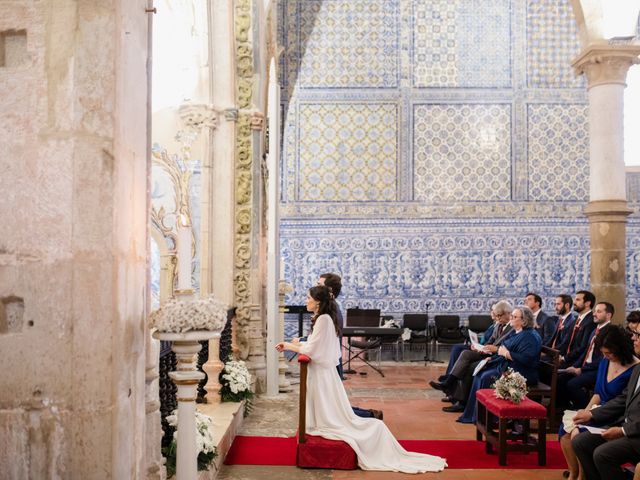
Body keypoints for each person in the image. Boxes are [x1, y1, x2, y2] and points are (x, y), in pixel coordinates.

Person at [276, 285, 447, 473]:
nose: (306, 300)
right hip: (321, 372)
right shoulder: (323, 318)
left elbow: (315, 350)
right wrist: (301, 343)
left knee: (332, 415)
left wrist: (289, 346)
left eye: (308, 297)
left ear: (317, 301)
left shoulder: (324, 319)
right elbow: (319, 343)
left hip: (322, 373)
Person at [559, 325, 638, 480]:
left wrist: (592, 415)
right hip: (601, 411)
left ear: (620, 349)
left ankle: (583, 476)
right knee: (569, 429)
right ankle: (574, 474)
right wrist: (585, 414)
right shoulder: (605, 362)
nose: (606, 356)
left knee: (581, 438)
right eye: (603, 353)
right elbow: (599, 394)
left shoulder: (635, 367)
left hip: (617, 417)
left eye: (609, 353)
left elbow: (622, 403)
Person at [456, 305, 542, 424]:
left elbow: (527, 359)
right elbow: (502, 351)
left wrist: (506, 354)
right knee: (480, 373)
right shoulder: (517, 332)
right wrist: (491, 359)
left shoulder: (530, 336)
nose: (511, 318)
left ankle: (491, 419)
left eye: (514, 316)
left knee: (486, 377)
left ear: (524, 320)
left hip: (521, 372)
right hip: (508, 367)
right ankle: (476, 415)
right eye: (511, 315)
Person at [431, 300, 513, 411]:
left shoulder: (511, 328)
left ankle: (456, 395)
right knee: (465, 353)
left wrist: (492, 352)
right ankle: (450, 386)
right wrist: (480, 347)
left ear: (507, 313)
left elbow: (507, 348)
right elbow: (490, 341)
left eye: (499, 316)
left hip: (496, 357)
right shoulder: (499, 325)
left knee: (469, 366)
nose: (496, 318)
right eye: (496, 315)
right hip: (488, 352)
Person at [556, 302, 614, 410]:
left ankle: (585, 409)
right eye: (595, 311)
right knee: (561, 378)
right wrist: (575, 366)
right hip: (586, 367)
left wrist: (581, 369)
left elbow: (603, 359)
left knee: (572, 384)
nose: (594, 314)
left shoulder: (610, 332)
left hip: (598, 369)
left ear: (608, 315)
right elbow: (585, 352)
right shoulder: (595, 330)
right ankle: (563, 408)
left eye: (599, 311)